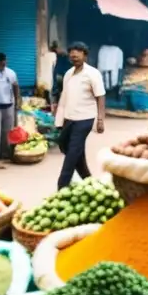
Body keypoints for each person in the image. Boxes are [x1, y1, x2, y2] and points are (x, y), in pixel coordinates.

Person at [54, 42, 105, 189]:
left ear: (85, 55)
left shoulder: (93, 73)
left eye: (78, 53)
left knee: (72, 153)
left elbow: (100, 96)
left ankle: (61, 186)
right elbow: (64, 98)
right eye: (71, 53)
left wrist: (100, 119)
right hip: (70, 118)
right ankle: (89, 180)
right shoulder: (68, 74)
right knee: (65, 146)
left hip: (85, 119)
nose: (74, 56)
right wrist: (59, 120)